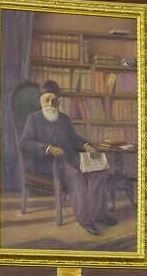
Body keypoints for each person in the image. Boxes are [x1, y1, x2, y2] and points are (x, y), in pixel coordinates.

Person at [19, 80, 114, 236]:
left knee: (98, 171)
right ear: (40, 101)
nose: (50, 103)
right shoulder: (33, 119)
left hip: (71, 158)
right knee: (76, 175)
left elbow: (74, 138)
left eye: (54, 100)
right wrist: (47, 148)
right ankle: (86, 220)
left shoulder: (64, 118)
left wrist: (85, 145)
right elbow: (25, 143)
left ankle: (100, 215)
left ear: (59, 101)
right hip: (48, 164)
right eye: (46, 100)